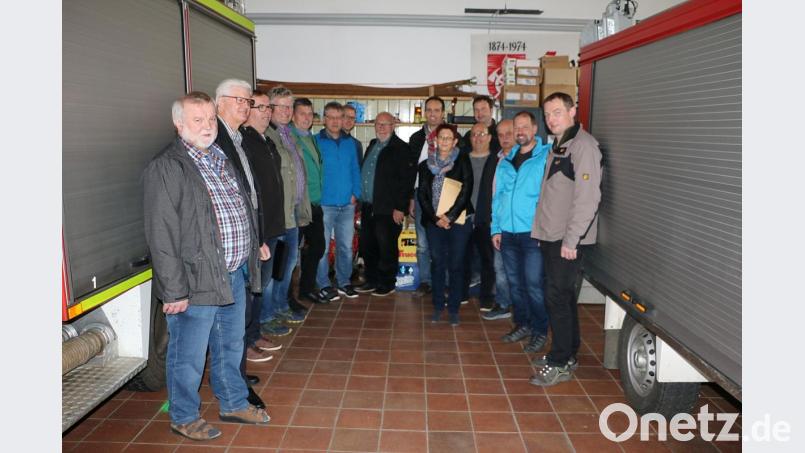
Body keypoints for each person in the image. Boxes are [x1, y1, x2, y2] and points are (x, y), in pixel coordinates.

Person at [143, 92, 270, 441]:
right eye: (197, 120)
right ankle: (183, 416)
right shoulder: (168, 166)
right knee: (189, 355)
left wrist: (253, 241)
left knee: (231, 344)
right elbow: (161, 232)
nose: (207, 126)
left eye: (210, 119)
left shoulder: (217, 155)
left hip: (230, 273)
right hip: (194, 280)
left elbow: (238, 205)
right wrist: (173, 290)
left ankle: (232, 402)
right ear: (178, 123)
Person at [529, 92, 602, 386]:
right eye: (547, 114)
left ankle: (560, 362)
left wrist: (571, 241)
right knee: (563, 297)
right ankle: (567, 352)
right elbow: (550, 195)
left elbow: (587, 199)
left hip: (566, 240)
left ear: (573, 111)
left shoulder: (584, 146)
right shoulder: (559, 145)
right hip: (551, 236)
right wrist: (541, 232)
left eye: (557, 112)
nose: (551, 119)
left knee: (557, 297)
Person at [213, 79, 271, 410]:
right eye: (240, 100)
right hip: (227, 247)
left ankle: (235, 376)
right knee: (231, 324)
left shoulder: (237, 137)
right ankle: (233, 385)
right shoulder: (215, 138)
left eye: (248, 101)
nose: (245, 105)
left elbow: (248, 195)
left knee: (240, 316)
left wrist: (257, 237)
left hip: (246, 238)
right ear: (220, 103)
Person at [491, 111, 551, 353]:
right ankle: (523, 324)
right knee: (515, 284)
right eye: (517, 128)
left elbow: (552, 197)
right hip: (507, 232)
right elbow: (498, 197)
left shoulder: (545, 157)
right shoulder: (506, 161)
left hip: (533, 233)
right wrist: (496, 228)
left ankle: (539, 330)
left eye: (525, 127)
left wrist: (543, 228)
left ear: (535, 129)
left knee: (534, 285)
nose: (520, 132)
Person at [241, 89, 291, 359]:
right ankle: (246, 342)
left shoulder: (267, 141)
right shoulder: (244, 142)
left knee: (261, 285)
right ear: (247, 111)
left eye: (267, 108)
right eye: (260, 107)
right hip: (257, 232)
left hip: (272, 226)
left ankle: (256, 332)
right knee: (252, 289)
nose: (267, 112)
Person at [263, 86, 313, 336]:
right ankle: (267, 315)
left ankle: (281, 305)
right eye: (280, 106)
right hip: (277, 216)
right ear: (269, 108)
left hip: (292, 212)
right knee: (272, 270)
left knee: (288, 264)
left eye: (288, 106)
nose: (285, 111)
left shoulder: (289, 135)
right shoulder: (266, 135)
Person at [417, 124, 474, 326]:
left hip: (458, 221)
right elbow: (422, 195)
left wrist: (449, 216)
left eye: (449, 138)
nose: (444, 141)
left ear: (455, 142)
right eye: (441, 137)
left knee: (456, 264)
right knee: (438, 263)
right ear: (435, 140)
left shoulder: (462, 161)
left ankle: (454, 308)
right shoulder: (425, 166)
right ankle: (439, 305)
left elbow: (466, 190)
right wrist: (436, 219)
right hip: (434, 223)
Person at [355, 112, 416, 296]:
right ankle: (371, 280)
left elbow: (407, 181)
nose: (381, 127)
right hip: (368, 206)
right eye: (378, 124)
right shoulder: (373, 145)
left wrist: (400, 207)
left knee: (386, 247)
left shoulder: (401, 148)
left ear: (393, 126)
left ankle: (387, 282)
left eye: (385, 124)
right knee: (368, 246)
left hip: (389, 209)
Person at [314, 102, 362, 301]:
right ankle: (324, 284)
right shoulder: (315, 141)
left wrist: (355, 193)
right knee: (323, 248)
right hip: (325, 204)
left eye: (338, 117)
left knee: (345, 246)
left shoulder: (351, 143)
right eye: (330, 117)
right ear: (324, 119)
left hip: (347, 204)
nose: (335, 121)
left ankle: (344, 282)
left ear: (343, 119)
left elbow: (355, 170)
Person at [289, 97, 329, 305]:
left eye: (309, 114)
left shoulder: (310, 137)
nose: (306, 118)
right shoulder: (289, 137)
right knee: (290, 254)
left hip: (314, 203)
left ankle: (306, 288)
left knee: (318, 246)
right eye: (302, 113)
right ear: (293, 115)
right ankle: (288, 297)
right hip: (298, 205)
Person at [408, 96, 445, 296]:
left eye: (436, 110)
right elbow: (410, 171)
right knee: (422, 243)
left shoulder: (451, 136)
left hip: (444, 195)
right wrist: (411, 198)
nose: (432, 114)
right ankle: (425, 281)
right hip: (420, 195)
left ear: (443, 113)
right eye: (429, 110)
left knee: (443, 241)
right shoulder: (415, 138)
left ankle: (443, 281)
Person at [461, 122, 498, 312]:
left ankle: (487, 297)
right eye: (474, 134)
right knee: (462, 257)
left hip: (487, 218)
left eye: (482, 133)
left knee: (487, 260)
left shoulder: (497, 160)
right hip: (464, 217)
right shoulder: (462, 159)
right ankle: (461, 293)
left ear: (490, 137)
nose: (478, 137)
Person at [482, 119, 515, 321]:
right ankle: (504, 304)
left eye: (508, 133)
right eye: (500, 134)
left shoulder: (521, 159)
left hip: (518, 225)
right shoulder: (496, 158)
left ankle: (513, 307)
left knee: (512, 270)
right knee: (499, 268)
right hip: (498, 223)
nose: (504, 138)